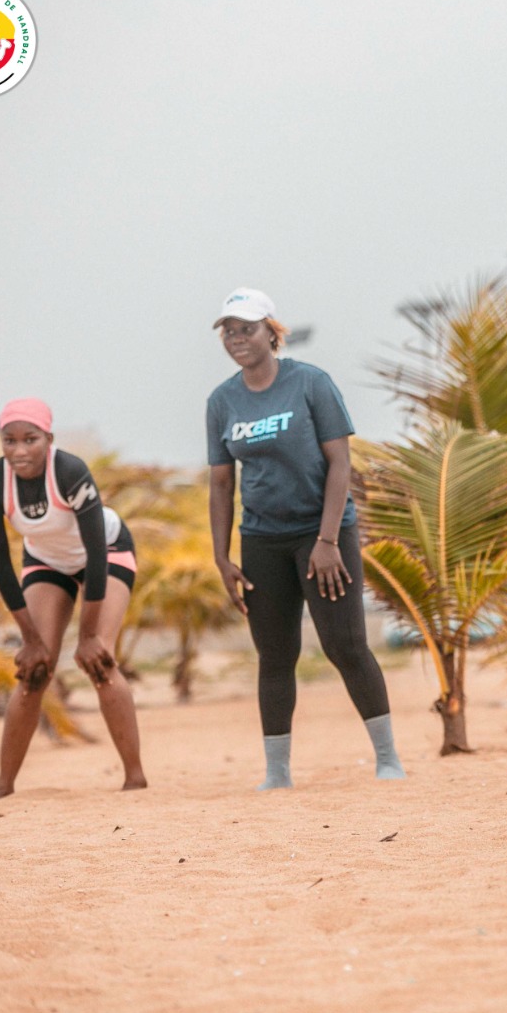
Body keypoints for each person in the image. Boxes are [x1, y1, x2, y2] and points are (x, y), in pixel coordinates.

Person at [205, 287, 404, 790]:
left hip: (323, 534)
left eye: (247, 329)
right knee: (274, 655)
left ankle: (388, 759)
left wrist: (328, 540)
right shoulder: (221, 401)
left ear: (271, 332)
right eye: (229, 331)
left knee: (346, 645)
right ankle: (277, 773)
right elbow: (222, 484)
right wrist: (222, 557)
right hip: (261, 540)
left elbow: (341, 464)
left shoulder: (311, 383)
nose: (237, 338)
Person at [0, 398, 147, 799]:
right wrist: (31, 639)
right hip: (45, 560)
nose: (19, 450)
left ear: (48, 439)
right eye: (9, 440)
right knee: (34, 670)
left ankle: (134, 776)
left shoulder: (69, 471)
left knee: (100, 660)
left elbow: (96, 555)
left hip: (106, 551)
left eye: (30, 439)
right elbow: (0, 563)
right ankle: (4, 785)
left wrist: (88, 636)